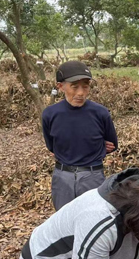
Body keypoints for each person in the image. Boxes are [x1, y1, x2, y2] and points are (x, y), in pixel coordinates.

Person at [42, 60, 118, 211]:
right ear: (60, 86)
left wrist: (96, 144)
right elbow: (51, 145)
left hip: (93, 176)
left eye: (85, 86)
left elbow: (112, 144)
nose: (80, 93)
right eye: (74, 87)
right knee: (64, 222)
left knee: (93, 220)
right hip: (63, 177)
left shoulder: (100, 113)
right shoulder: (50, 114)